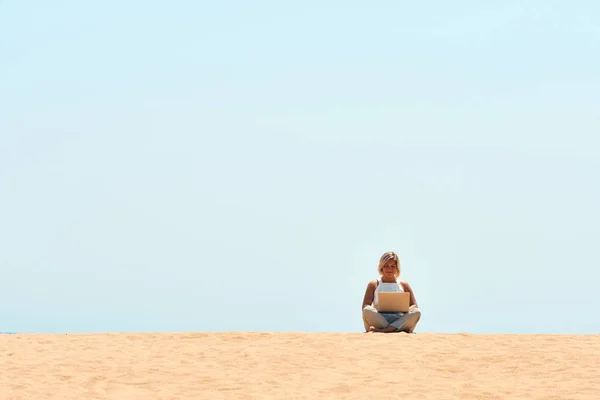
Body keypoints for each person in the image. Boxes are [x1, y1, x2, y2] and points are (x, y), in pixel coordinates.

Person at [361, 251, 421, 333]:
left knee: (417, 312)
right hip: (381, 320)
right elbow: (365, 305)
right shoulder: (374, 284)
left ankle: (387, 330)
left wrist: (405, 309)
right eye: (386, 266)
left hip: (399, 319)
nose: (389, 269)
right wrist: (378, 309)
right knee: (367, 310)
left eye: (393, 266)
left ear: (397, 268)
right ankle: (394, 329)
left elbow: (414, 305)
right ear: (381, 267)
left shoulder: (403, 284)